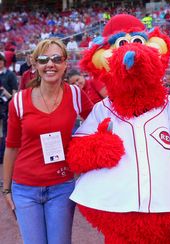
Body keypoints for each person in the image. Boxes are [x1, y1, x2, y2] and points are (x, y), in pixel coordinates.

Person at [2, 38, 93, 244]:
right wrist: (6, 189)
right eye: (43, 60)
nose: (50, 64)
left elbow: (100, 122)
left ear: (65, 64)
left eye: (56, 59)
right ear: (35, 65)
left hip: (61, 186)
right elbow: (12, 146)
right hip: (25, 188)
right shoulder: (19, 101)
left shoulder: (76, 95)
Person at [0, 53, 18, 164]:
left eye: (1, 60)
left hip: (6, 108)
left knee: (5, 133)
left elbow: (14, 94)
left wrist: (4, 92)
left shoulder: (10, 74)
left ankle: (3, 156)